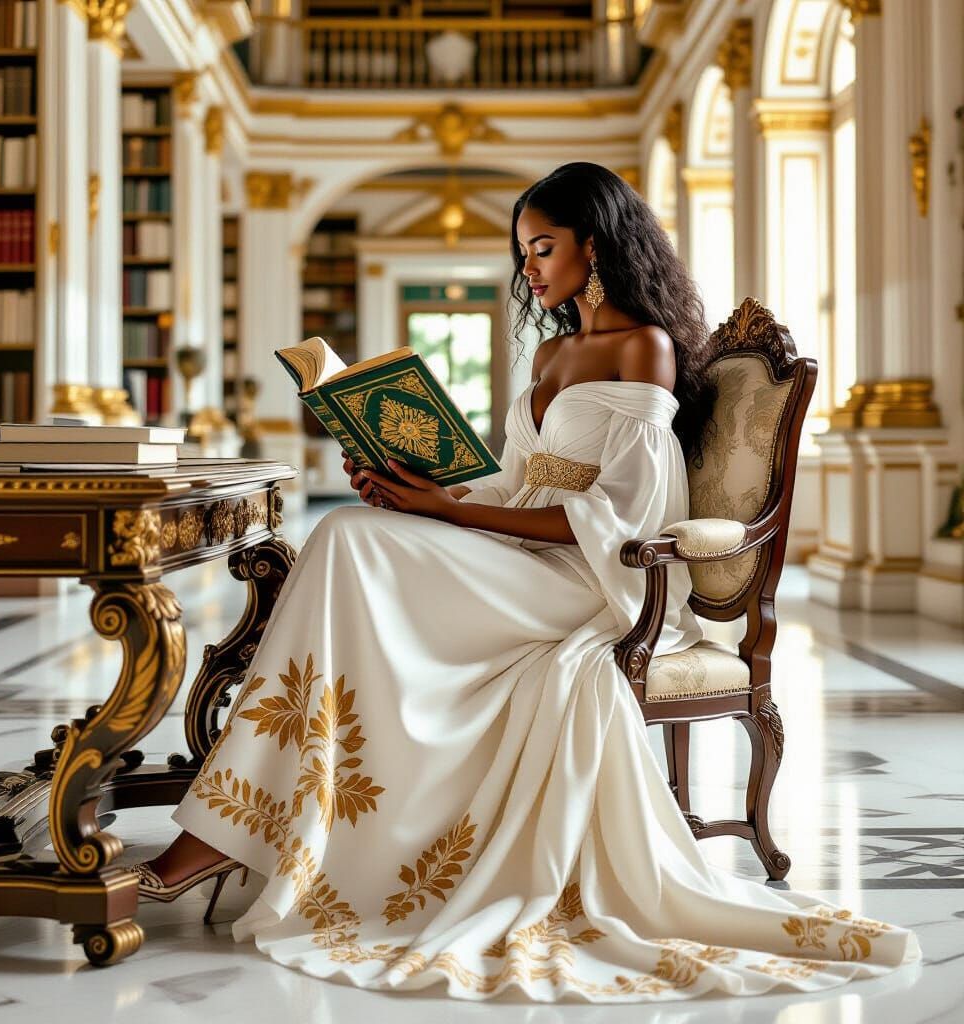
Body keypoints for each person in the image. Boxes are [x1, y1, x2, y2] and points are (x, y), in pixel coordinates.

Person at [130, 162, 919, 1003]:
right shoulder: (551, 348)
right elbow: (513, 484)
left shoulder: (641, 347)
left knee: (348, 542)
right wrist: (418, 491)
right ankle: (260, 820)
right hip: (518, 554)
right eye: (523, 251)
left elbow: (621, 517)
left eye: (544, 247)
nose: (532, 268)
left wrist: (447, 514)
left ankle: (223, 832)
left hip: (589, 577)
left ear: (596, 243)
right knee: (357, 531)